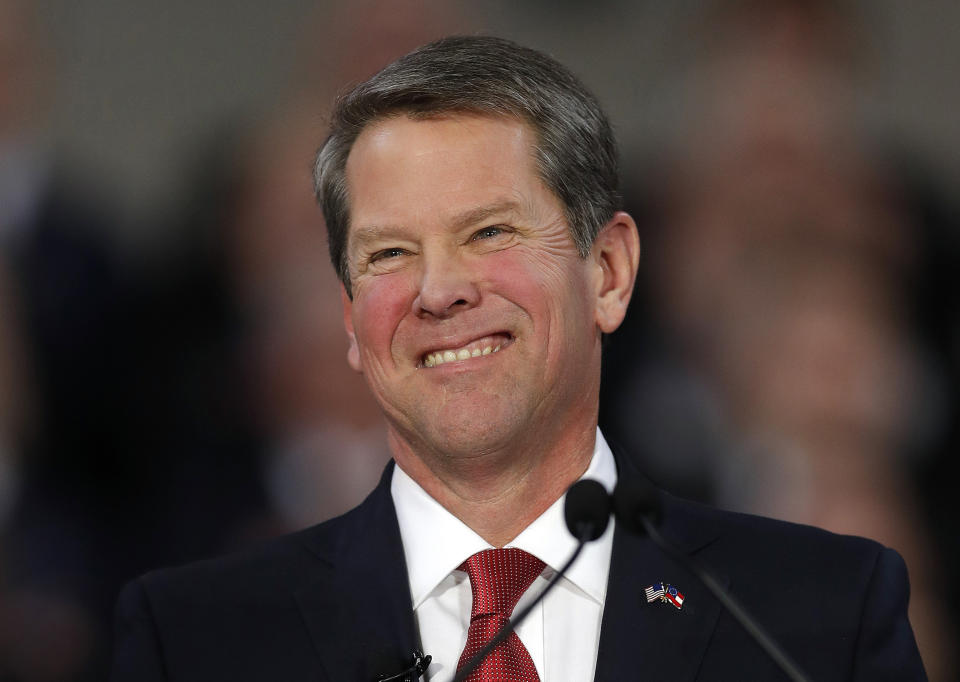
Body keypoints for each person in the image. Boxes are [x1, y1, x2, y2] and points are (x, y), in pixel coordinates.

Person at [111, 36, 926, 681]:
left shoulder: (817, 615)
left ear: (608, 273)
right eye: (390, 252)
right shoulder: (196, 641)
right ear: (351, 320)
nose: (437, 292)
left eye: (489, 233)